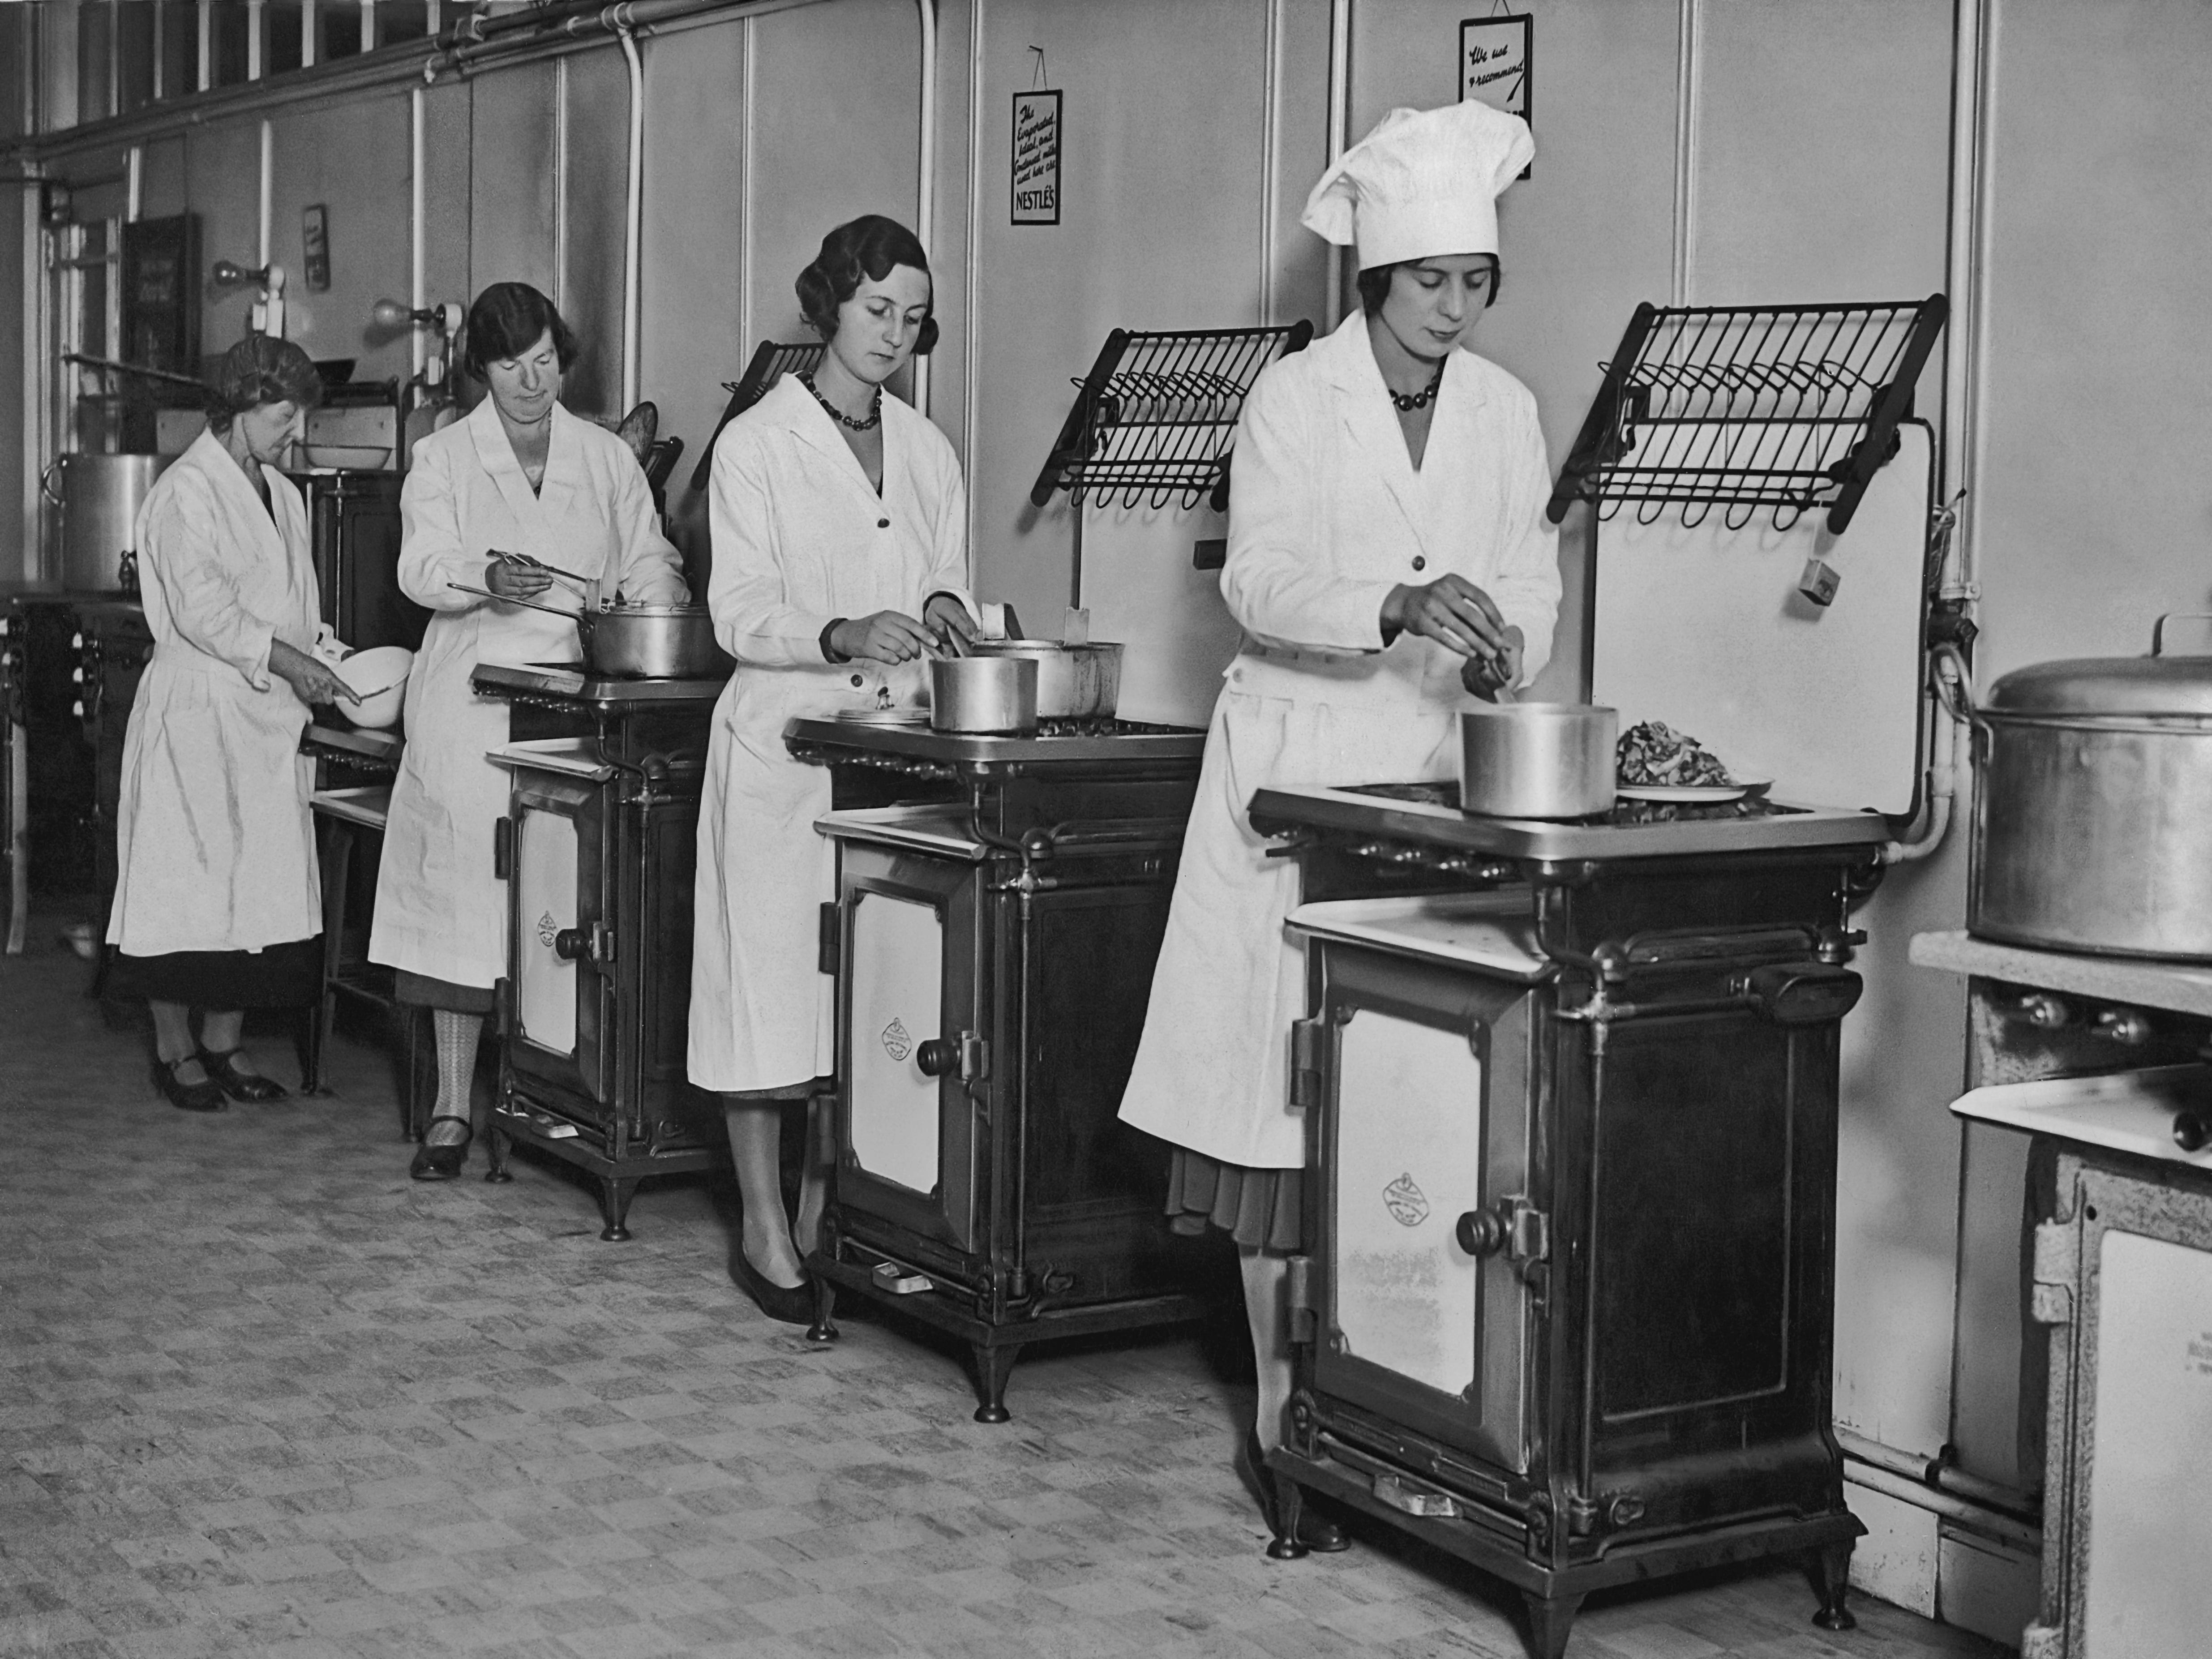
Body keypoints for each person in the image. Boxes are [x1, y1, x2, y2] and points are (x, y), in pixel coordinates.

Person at [1116, 100, 1562, 1552]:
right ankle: (1280, 1409)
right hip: (1298, 771)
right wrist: (1385, 602)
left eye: (1474, 280)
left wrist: (1513, 647)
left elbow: (1532, 576)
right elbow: (1259, 579)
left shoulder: (1505, 413)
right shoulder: (1293, 402)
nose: (1455, 305)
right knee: (1281, 1110)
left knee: (1406, 1098)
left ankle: (1396, 1398)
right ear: (1376, 279)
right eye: (1431, 280)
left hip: (1429, 778)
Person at [689, 215, 985, 1323]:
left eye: (912, 318)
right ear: (830, 305)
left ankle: (828, 1215)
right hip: (782, 749)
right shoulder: (758, 444)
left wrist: (944, 605)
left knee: (861, 999)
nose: (893, 336)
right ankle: (766, 1228)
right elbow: (740, 612)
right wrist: (842, 630)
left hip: (888, 754)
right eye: (875, 311)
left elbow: (945, 569)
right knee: (765, 996)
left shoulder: (925, 445)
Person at [370, 283, 687, 1179]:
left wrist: (655, 599)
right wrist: (484, 575)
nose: (533, 379)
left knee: (564, 898)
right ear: (481, 368)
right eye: (512, 365)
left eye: (546, 359)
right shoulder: (443, 457)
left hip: (578, 686)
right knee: (462, 904)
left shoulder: (603, 456)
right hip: (472, 689)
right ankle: (449, 1109)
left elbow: (648, 553)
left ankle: (555, 1094)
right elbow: (420, 566)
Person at [108, 337, 354, 1112]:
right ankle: (175, 1050)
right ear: (240, 408)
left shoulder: (285, 495)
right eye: (283, 418)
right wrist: (287, 659)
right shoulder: (186, 493)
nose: (293, 434)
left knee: (257, 898)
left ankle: (226, 1040)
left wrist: (340, 662)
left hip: (264, 719)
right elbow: (205, 610)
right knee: (183, 890)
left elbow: (299, 611)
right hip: (197, 711)